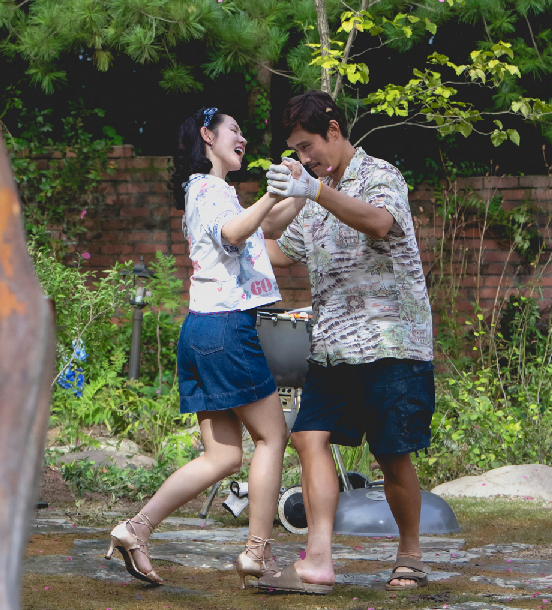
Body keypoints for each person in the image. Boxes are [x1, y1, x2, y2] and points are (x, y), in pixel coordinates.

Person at [105, 107, 295, 588]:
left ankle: (136, 529)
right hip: (228, 330)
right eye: (234, 130)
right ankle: (257, 552)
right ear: (207, 136)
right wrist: (275, 193)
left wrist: (303, 190)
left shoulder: (217, 193)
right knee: (272, 439)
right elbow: (237, 233)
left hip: (202, 331)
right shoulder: (208, 189)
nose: (243, 137)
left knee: (222, 457)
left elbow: (267, 230)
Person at [257, 90, 435, 594]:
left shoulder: (381, 175)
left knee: (391, 452)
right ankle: (317, 559)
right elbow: (278, 249)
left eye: (307, 145)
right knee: (307, 437)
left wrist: (314, 191)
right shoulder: (311, 192)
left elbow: (379, 222)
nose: (302, 158)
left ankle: (411, 555)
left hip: (389, 341)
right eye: (294, 150)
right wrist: (232, 229)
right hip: (332, 344)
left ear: (333, 130)